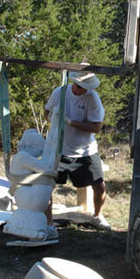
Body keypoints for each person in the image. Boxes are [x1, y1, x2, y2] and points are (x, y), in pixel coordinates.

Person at [44, 69, 111, 230]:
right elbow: (46, 112)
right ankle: (48, 223)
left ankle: (97, 216)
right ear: (75, 83)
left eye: (87, 88)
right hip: (58, 148)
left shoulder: (92, 98)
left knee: (99, 185)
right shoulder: (60, 92)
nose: (85, 90)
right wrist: (52, 116)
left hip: (85, 150)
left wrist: (69, 122)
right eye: (81, 87)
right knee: (46, 186)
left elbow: (96, 127)